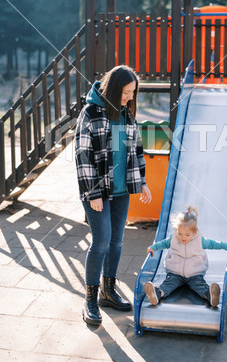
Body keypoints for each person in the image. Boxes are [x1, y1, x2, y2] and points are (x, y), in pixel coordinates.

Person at [75, 65, 152, 326]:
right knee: (101, 242)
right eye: (126, 92)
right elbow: (82, 156)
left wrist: (141, 181)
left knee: (117, 243)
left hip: (121, 192)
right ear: (115, 88)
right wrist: (93, 192)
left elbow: (135, 149)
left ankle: (109, 291)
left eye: (133, 93)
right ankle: (90, 300)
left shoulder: (126, 114)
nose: (130, 97)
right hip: (97, 192)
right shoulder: (91, 113)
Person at [144, 206, 227, 308]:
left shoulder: (200, 240)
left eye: (187, 235)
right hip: (175, 273)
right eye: (180, 233)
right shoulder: (173, 238)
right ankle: (157, 294)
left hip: (194, 274)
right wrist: (153, 247)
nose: (183, 237)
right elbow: (164, 243)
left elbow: (213, 244)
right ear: (176, 230)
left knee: (199, 285)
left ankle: (210, 295)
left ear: (194, 232)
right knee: (168, 285)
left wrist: (226, 246)